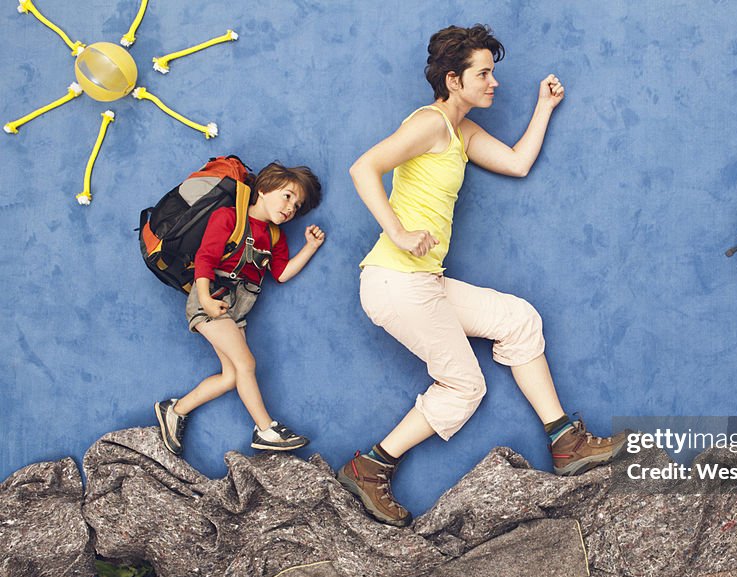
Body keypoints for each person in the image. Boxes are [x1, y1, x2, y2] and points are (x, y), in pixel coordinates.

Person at [343, 24, 626, 527]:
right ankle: (369, 467)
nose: (493, 82)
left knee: (517, 319)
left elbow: (517, 163)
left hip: (423, 282)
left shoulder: (461, 132)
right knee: (464, 386)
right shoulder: (430, 123)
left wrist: (544, 107)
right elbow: (364, 168)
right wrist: (399, 231)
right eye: (484, 73)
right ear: (454, 80)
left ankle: (565, 441)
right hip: (394, 280)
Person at [155, 163, 325, 457]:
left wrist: (309, 247)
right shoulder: (229, 217)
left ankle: (175, 409)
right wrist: (206, 299)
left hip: (237, 311)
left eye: (296, 206)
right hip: (213, 300)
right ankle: (265, 429)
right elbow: (206, 258)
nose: (290, 209)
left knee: (232, 376)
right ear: (263, 189)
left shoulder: (275, 238)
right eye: (286, 197)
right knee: (246, 364)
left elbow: (281, 273)